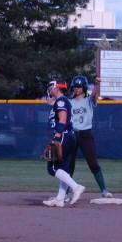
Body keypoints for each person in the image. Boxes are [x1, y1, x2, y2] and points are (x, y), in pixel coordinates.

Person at [67, 74, 113, 197]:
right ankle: (64, 193)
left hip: (85, 135)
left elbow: (93, 96)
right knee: (69, 164)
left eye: (78, 86)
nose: (76, 88)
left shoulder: (88, 100)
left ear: (84, 88)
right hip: (72, 135)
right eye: (74, 86)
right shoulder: (69, 102)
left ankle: (104, 190)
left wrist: (97, 84)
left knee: (93, 163)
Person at [42, 80, 86, 208]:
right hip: (69, 135)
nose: (49, 90)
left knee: (53, 168)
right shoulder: (62, 101)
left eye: (51, 87)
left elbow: (62, 119)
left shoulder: (61, 101)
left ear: (57, 88)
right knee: (64, 169)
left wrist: (57, 136)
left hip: (63, 135)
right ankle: (60, 199)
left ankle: (76, 187)